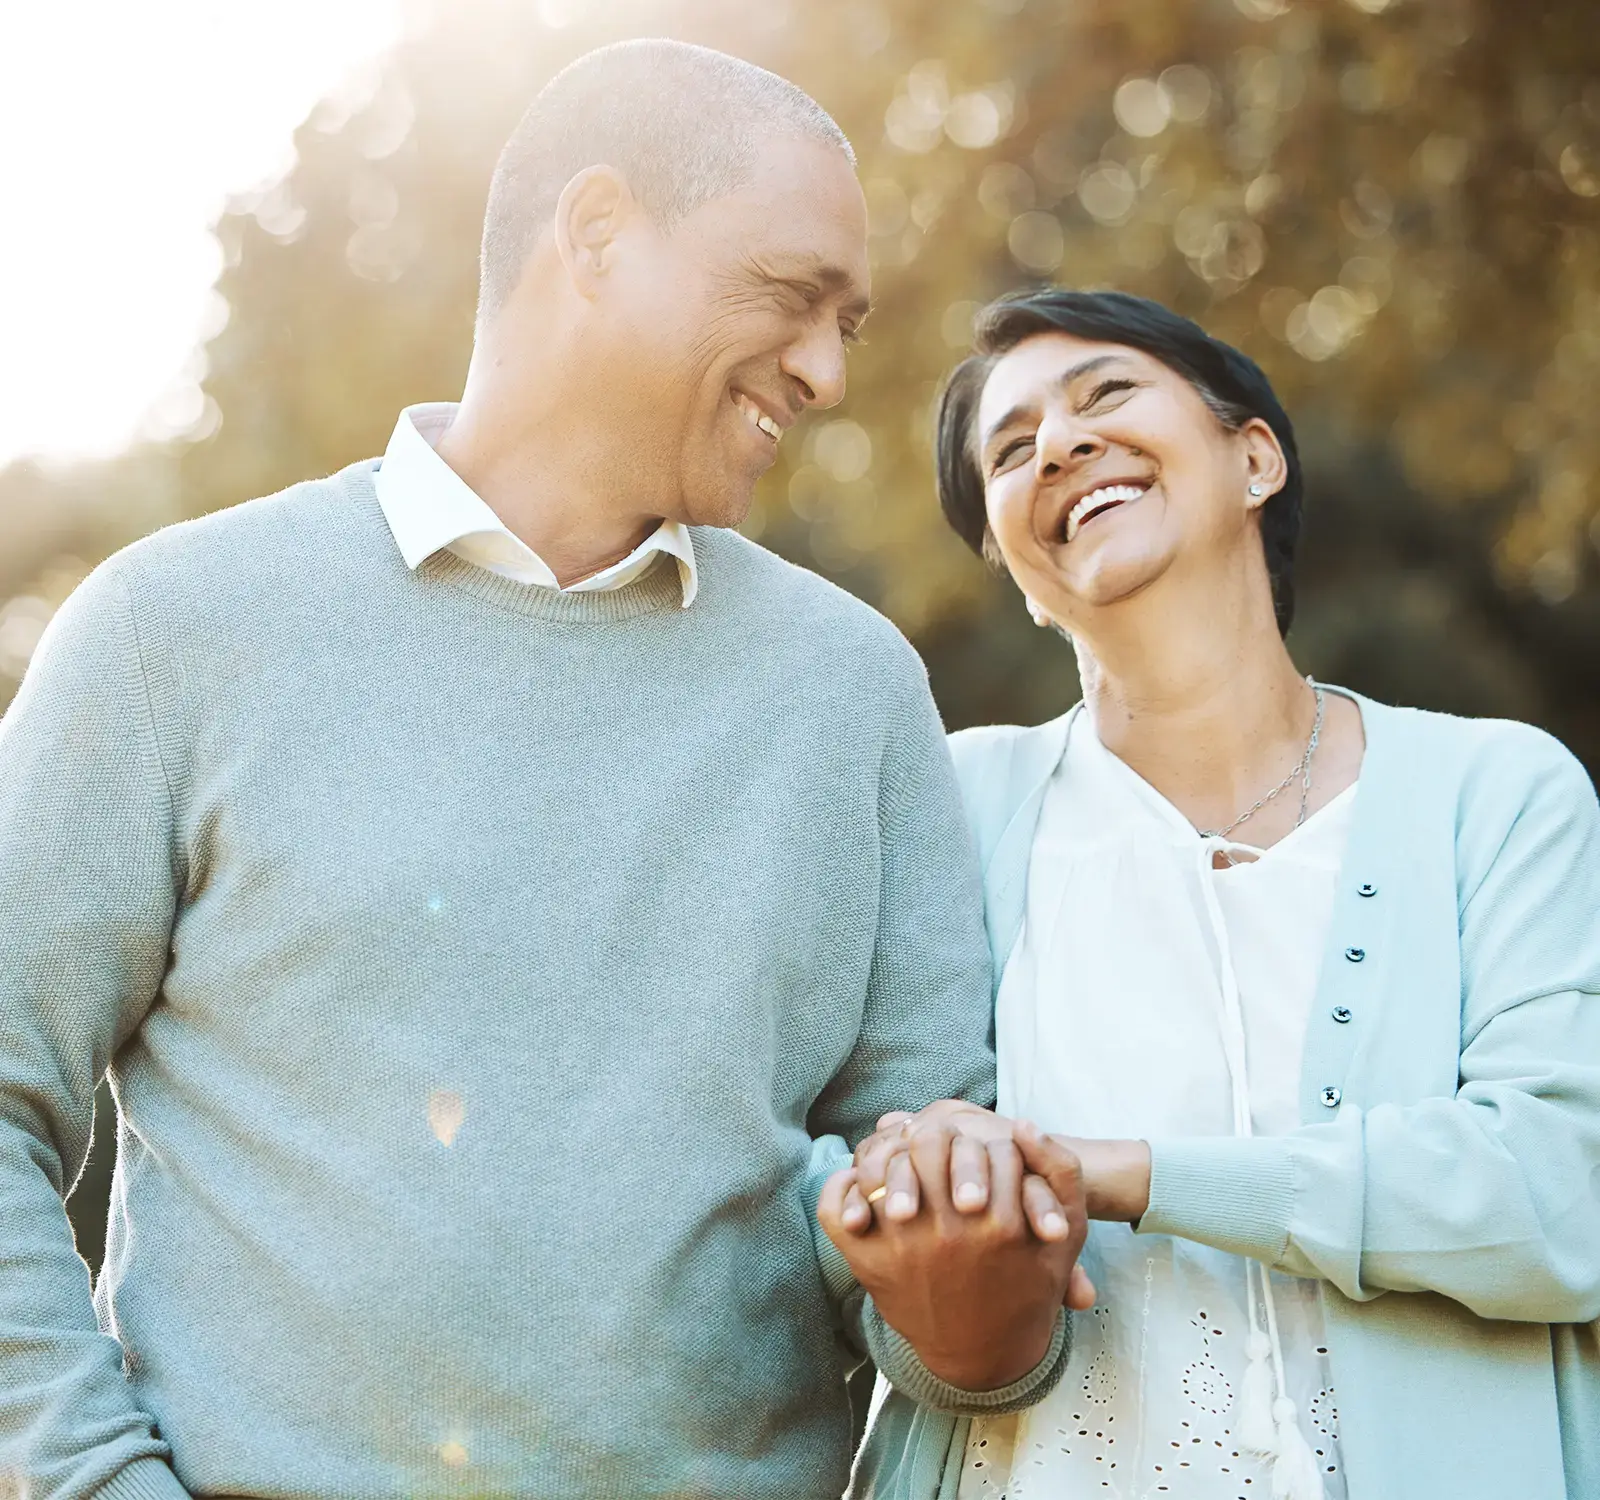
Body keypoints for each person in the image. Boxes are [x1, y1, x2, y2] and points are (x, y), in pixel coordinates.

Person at [0, 44, 1088, 1500]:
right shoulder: (168, 632)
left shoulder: (854, 690)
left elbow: (927, 1251)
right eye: (792, 297)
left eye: (849, 323)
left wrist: (971, 1281)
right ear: (595, 235)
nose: (829, 371)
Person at [822, 289, 1600, 1500]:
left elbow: (1563, 1195)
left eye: (1105, 396)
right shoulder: (952, 805)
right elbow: (894, 1217)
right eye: (1012, 451)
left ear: (1254, 457)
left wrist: (1124, 1174)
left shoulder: (1493, 794)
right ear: (1022, 575)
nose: (1061, 447)